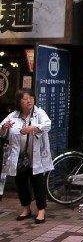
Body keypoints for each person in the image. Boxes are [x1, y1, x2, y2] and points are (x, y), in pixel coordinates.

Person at [0, 88, 54, 224]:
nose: (29, 101)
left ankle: (41, 210)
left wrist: (33, 128)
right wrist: (4, 127)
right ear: (19, 102)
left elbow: (47, 125)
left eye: (31, 98)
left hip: (36, 156)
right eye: (25, 99)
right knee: (21, 184)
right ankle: (26, 208)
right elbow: (1, 130)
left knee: (37, 184)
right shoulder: (13, 115)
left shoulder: (39, 113)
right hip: (19, 157)